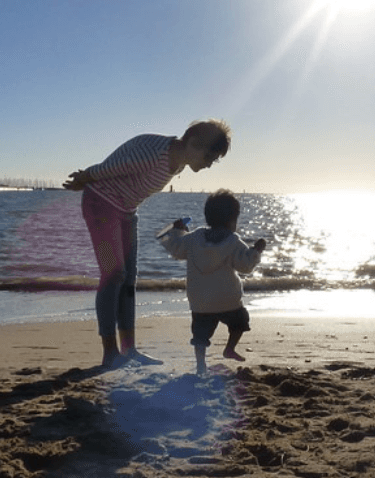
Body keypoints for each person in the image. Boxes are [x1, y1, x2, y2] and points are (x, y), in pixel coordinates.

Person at [63, 120, 231, 369]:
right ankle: (110, 353)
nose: (209, 164)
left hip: (127, 211)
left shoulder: (179, 162)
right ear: (193, 143)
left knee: (129, 278)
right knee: (114, 273)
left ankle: (129, 350)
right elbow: (106, 169)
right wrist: (83, 178)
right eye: (210, 156)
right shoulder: (154, 153)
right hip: (100, 204)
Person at [159, 189, 266, 375]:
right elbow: (245, 265)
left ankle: (201, 365)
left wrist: (177, 231)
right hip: (228, 300)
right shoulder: (232, 241)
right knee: (239, 322)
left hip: (200, 301)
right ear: (232, 220)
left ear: (208, 217)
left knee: (200, 335)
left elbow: (176, 248)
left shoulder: (194, 238)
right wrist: (256, 251)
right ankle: (229, 348)